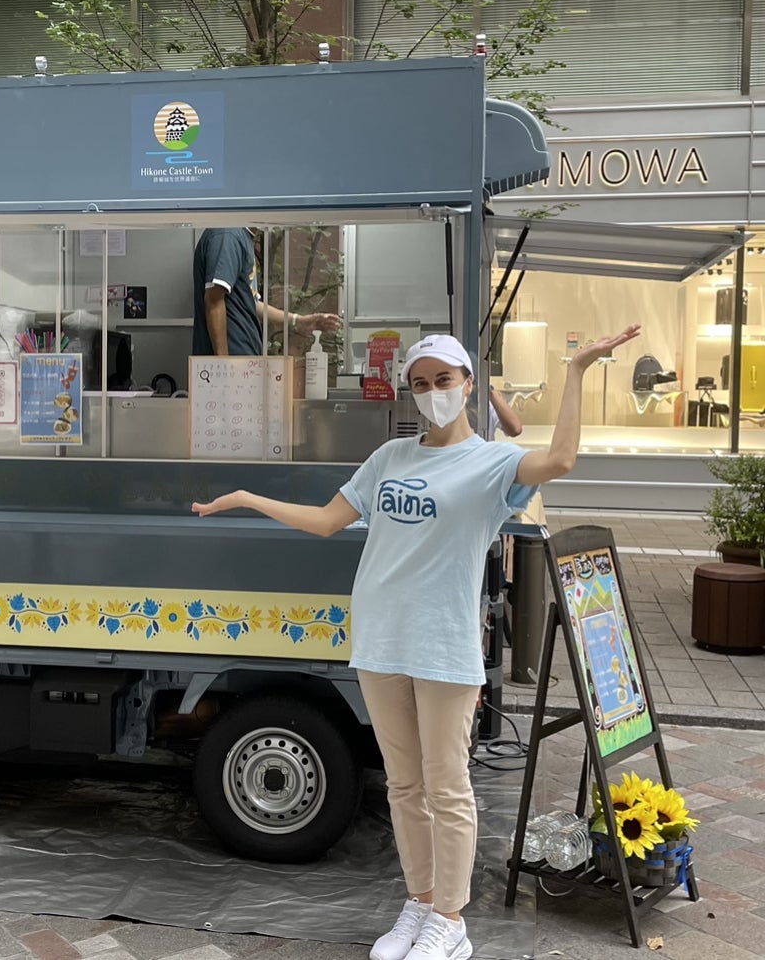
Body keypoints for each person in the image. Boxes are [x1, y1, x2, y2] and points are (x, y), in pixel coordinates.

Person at [192, 325, 641, 960]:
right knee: (404, 786)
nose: (433, 393)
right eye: (421, 383)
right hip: (380, 639)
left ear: (468, 384)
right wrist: (246, 497)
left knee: (446, 787)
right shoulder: (390, 458)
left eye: (444, 380)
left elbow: (561, 460)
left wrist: (576, 372)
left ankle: (451, 922)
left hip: (444, 645)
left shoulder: (492, 464)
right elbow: (327, 521)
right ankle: (421, 901)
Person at [192, 227, 340, 356]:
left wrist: (301, 320)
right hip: (231, 361)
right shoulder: (228, 235)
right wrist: (223, 364)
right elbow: (214, 299)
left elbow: (252, 303)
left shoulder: (241, 236)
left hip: (242, 359)